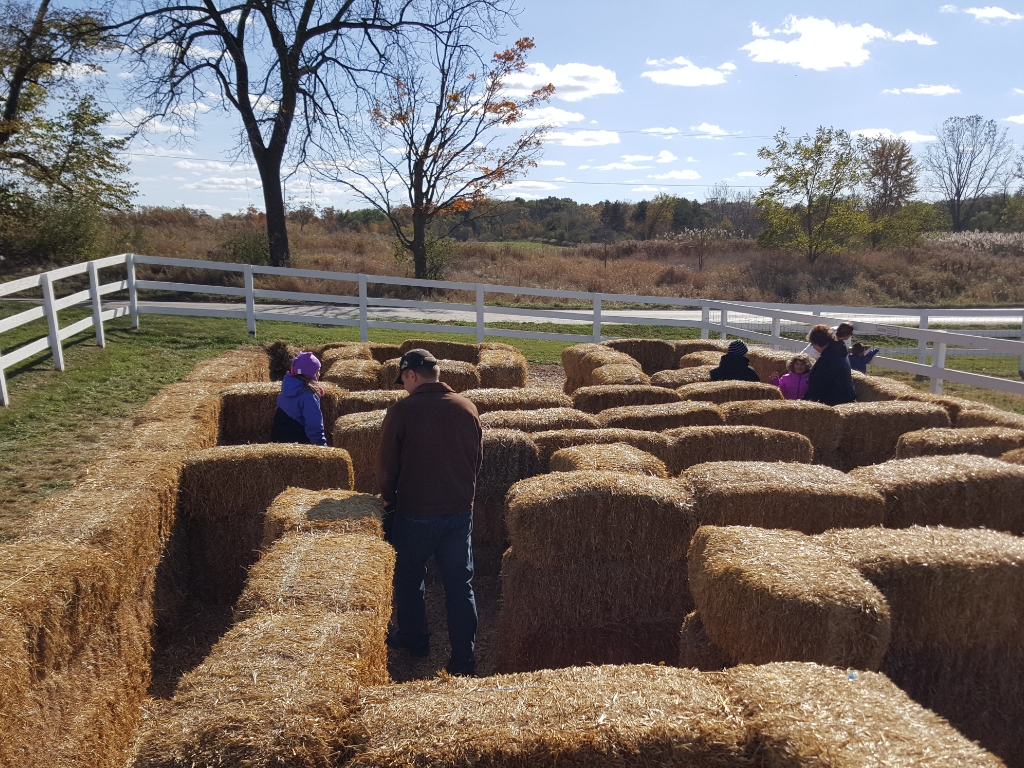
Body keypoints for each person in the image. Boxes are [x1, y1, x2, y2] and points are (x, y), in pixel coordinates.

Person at [376, 349, 483, 676]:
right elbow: (476, 461)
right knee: (460, 586)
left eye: (403, 380)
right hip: (457, 513)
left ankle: (415, 638)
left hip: (415, 513)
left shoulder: (402, 411)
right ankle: (463, 658)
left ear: (411, 375)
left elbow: (387, 466)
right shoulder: (467, 407)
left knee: (409, 578)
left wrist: (390, 500)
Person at [271, 351, 327, 445]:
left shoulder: (285, 390)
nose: (319, 374)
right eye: (318, 371)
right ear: (310, 373)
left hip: (278, 441)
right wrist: (322, 448)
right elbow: (314, 426)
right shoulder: (309, 396)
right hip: (298, 444)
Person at [802, 325, 856, 406]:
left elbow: (817, 388)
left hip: (834, 403)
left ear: (818, 343)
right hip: (846, 399)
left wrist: (802, 403)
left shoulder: (827, 360)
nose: (812, 346)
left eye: (812, 344)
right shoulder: (840, 350)